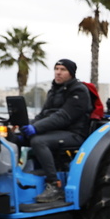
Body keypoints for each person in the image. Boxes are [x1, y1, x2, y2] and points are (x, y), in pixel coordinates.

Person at [19, 59, 91, 203]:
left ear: (71, 73)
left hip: (74, 134)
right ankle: (18, 177)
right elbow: (43, 114)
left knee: (38, 141)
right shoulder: (54, 90)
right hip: (55, 131)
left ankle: (54, 186)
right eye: (56, 68)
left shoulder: (78, 91)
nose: (58, 72)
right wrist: (26, 126)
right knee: (14, 138)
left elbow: (63, 117)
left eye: (63, 69)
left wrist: (36, 128)